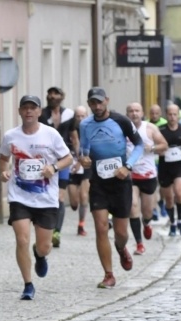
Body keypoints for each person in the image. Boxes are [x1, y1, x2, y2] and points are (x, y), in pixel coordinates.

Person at [0, 95, 73, 300]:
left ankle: (40, 255)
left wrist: (54, 167)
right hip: (19, 196)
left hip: (46, 198)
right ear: (19, 111)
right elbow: (3, 158)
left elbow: (68, 158)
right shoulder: (11, 136)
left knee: (44, 246)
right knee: (21, 239)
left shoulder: (51, 134)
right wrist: (3, 172)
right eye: (25, 108)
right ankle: (28, 284)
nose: (29, 111)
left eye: (33, 108)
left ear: (39, 111)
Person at [78, 87, 144, 289]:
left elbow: (139, 145)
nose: (97, 106)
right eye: (93, 103)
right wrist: (84, 159)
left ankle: (121, 248)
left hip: (120, 182)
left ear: (106, 100)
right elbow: (84, 150)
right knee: (101, 227)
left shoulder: (121, 121)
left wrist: (128, 166)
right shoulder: (85, 124)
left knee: (121, 233)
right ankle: (108, 275)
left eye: (100, 102)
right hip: (98, 182)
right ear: (89, 104)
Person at [39, 87, 79, 248]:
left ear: (62, 96)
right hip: (44, 161)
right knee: (46, 195)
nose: (52, 96)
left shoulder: (69, 114)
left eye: (55, 94)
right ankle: (45, 228)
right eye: (49, 94)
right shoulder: (41, 114)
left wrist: (78, 158)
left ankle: (56, 232)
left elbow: (74, 137)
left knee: (59, 197)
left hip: (63, 160)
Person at [125, 102, 167, 255]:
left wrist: (153, 148)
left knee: (147, 212)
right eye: (131, 111)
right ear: (127, 114)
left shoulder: (150, 128)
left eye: (137, 110)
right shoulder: (123, 129)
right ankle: (139, 244)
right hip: (131, 175)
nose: (134, 113)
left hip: (148, 175)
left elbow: (164, 145)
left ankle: (147, 223)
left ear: (142, 113)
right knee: (133, 207)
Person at [158, 103, 181, 237]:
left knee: (179, 193)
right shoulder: (161, 130)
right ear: (166, 115)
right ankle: (172, 223)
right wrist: (159, 151)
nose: (172, 117)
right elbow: (154, 145)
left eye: (175, 114)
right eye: (170, 114)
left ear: (178, 115)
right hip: (165, 167)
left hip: (179, 165)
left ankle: (180, 220)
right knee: (169, 198)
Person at [70, 105, 92, 236]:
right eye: (77, 116)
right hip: (71, 165)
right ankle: (75, 206)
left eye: (82, 116)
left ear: (87, 116)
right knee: (73, 203)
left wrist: (80, 161)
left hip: (86, 165)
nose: (80, 119)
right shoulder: (69, 128)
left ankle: (81, 225)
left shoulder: (90, 128)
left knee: (84, 196)